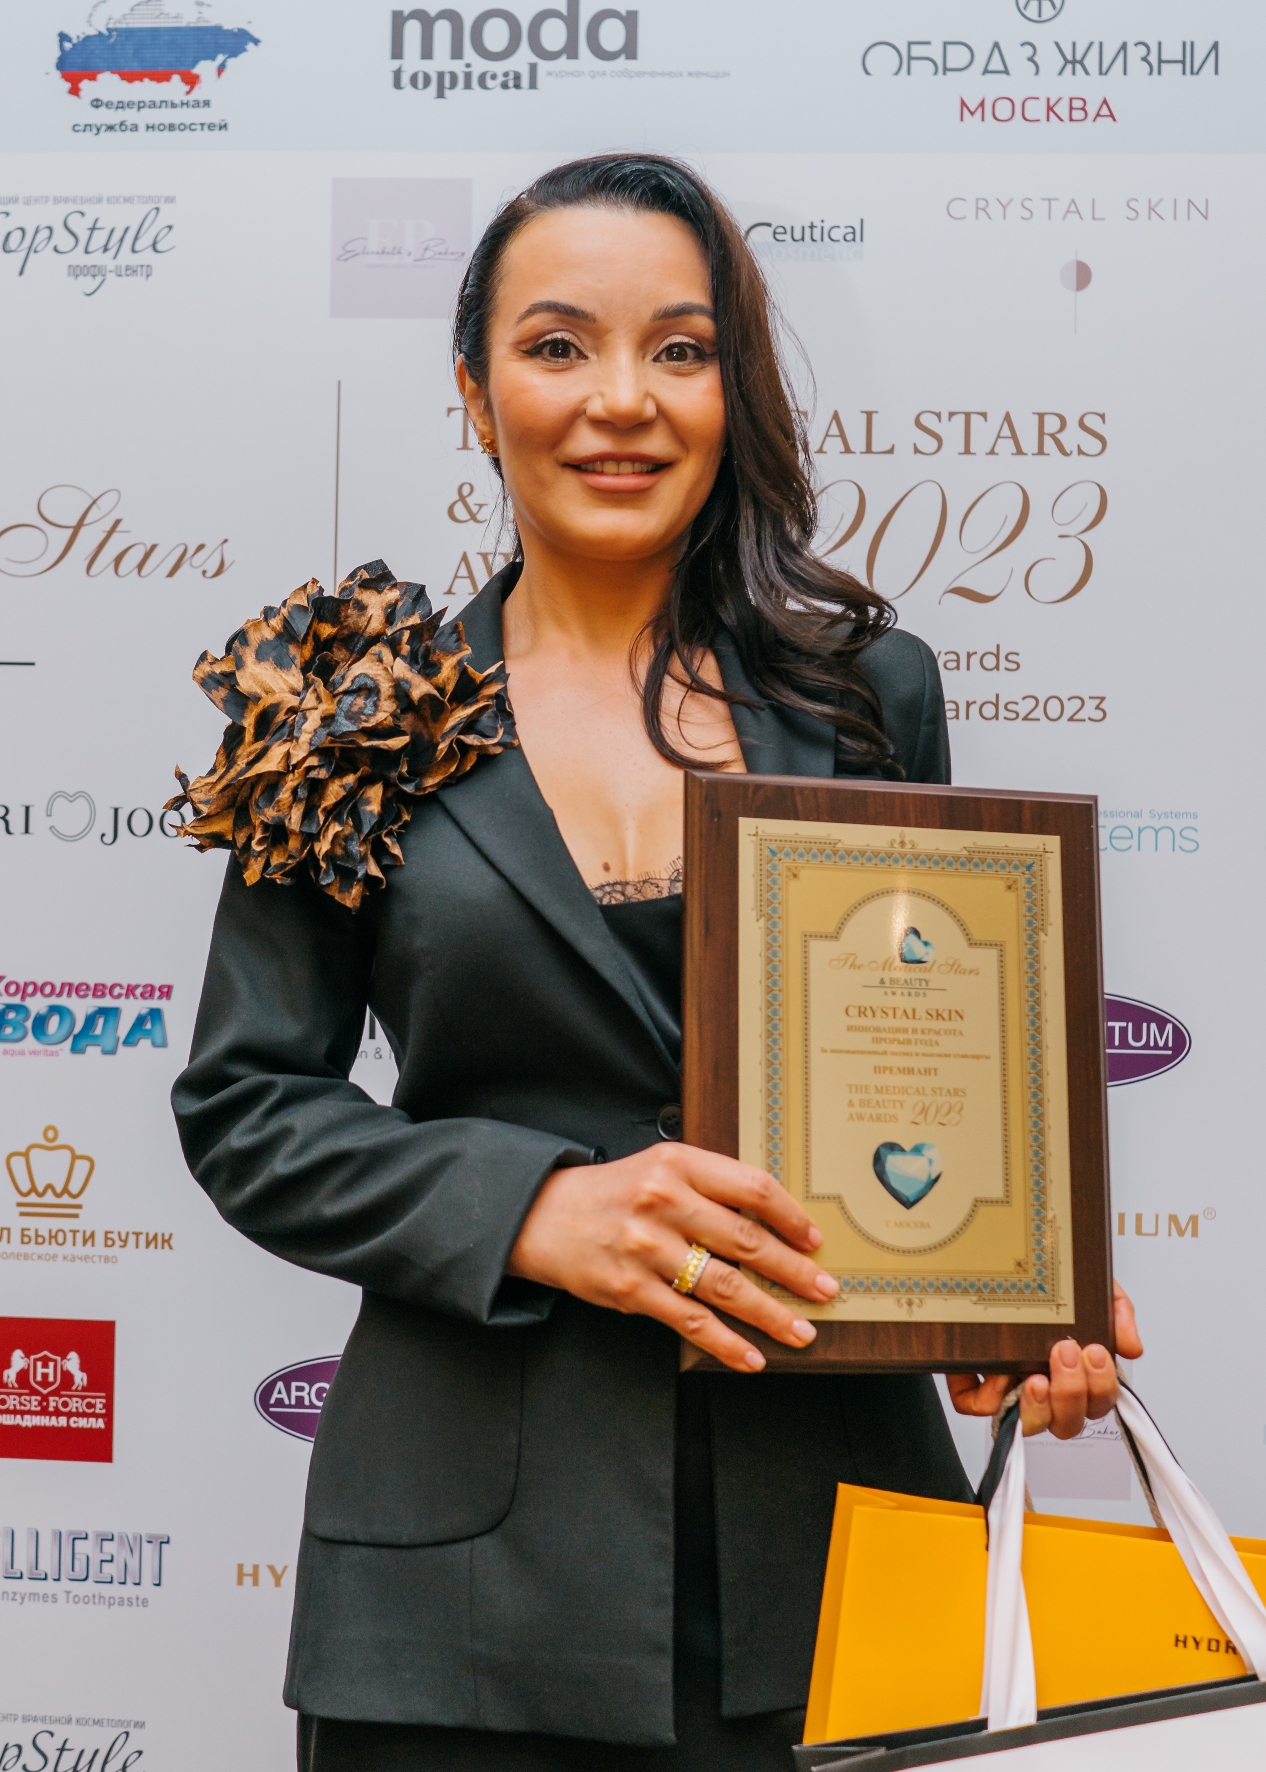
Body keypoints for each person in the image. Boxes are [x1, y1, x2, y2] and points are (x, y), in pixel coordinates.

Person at [171, 154, 1142, 1772]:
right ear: (475, 393)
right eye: (557, 346)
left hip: (832, 1543)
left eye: (678, 350)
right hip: (457, 1586)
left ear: (727, 389)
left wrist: (995, 1298)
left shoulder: (867, 695)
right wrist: (535, 1208)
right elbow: (247, 1105)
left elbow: (928, 1070)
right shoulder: (346, 713)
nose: (620, 399)